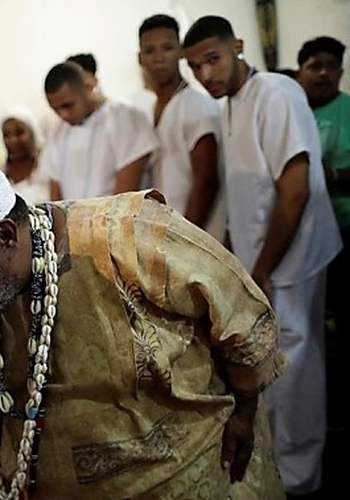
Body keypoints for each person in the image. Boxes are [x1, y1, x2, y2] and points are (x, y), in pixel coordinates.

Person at [0, 117, 286, 499]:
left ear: (6, 235)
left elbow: (239, 313)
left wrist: (246, 409)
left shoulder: (127, 234)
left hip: (183, 477)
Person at [183, 16, 343, 497]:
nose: (206, 75)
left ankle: (302, 476)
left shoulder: (275, 92)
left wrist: (264, 269)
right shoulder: (233, 101)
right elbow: (246, 190)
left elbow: (294, 190)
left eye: (213, 59)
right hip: (264, 260)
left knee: (297, 366)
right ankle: (283, 462)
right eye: (196, 67)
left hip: (291, 258)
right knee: (273, 365)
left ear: (238, 46)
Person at [296, 35, 350, 435]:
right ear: (300, 70)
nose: (325, 74)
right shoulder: (293, 109)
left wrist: (328, 176)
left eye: (333, 66)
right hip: (301, 234)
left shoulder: (348, 111)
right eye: (316, 65)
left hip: (345, 225)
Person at [137, 14, 225, 241]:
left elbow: (206, 182)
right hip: (164, 232)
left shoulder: (197, 105)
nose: (158, 58)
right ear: (140, 58)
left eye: (167, 48)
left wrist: (184, 239)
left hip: (196, 235)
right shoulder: (149, 108)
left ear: (181, 52)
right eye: (150, 51)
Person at [41, 61, 158, 200]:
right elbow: (55, 197)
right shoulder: (57, 132)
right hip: (71, 220)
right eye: (56, 109)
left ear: (87, 86)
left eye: (68, 105)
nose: (63, 115)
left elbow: (126, 197)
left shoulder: (125, 118)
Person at [0, 106, 60, 204]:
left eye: (19, 132)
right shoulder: (0, 175)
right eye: (7, 135)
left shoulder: (49, 165)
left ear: (32, 132)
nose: (13, 140)